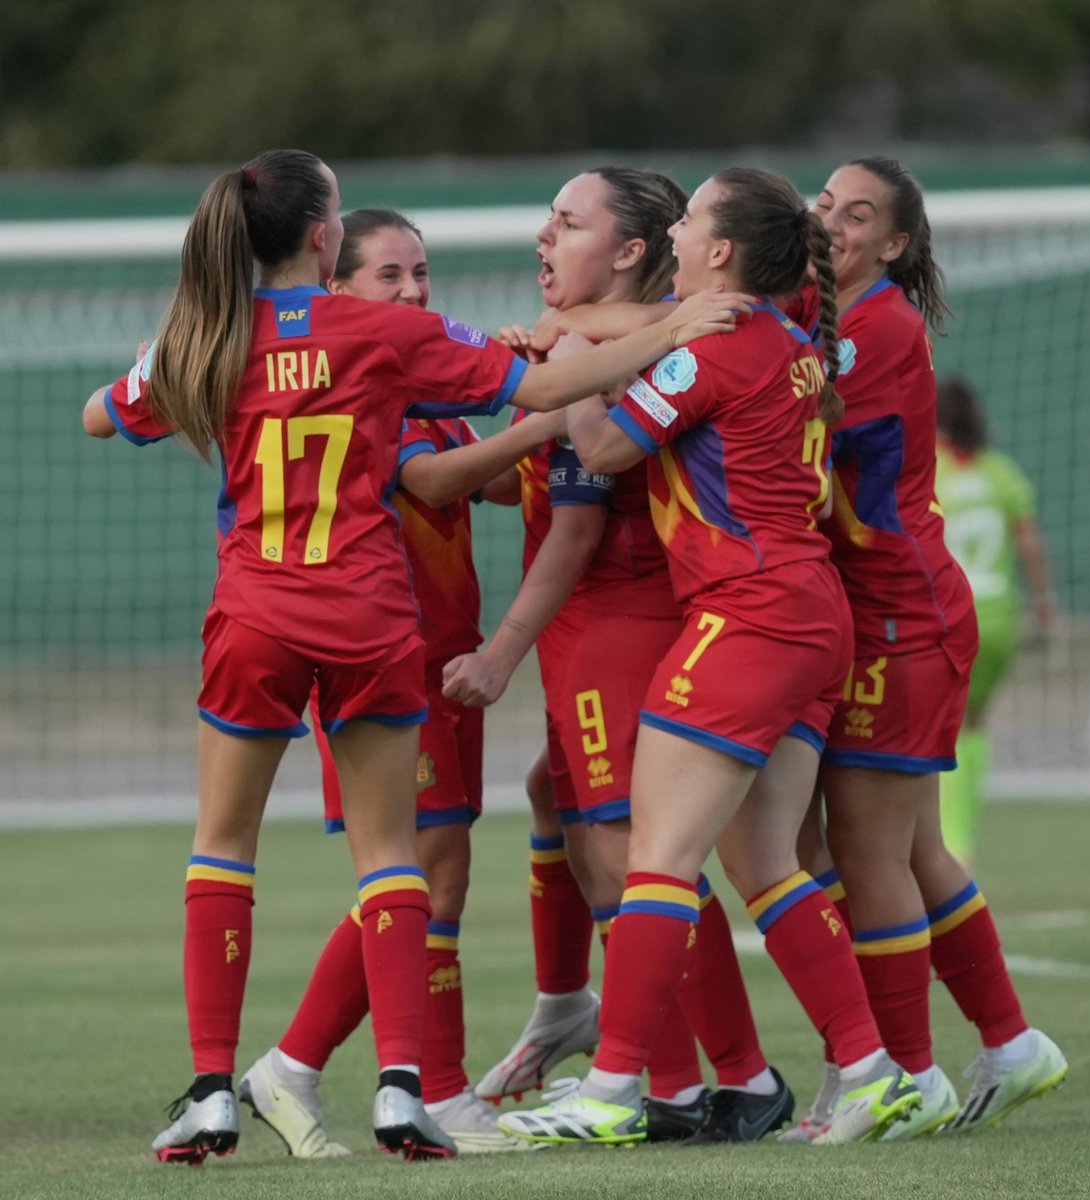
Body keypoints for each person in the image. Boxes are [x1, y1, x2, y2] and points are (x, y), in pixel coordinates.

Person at [81, 148, 750, 1166]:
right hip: (369, 620)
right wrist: (673, 326)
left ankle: (213, 1089)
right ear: (322, 240)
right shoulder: (386, 334)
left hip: (255, 616)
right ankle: (404, 1090)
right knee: (395, 859)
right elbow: (539, 385)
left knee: (223, 849)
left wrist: (154, 364)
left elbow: (100, 417)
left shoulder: (205, 338)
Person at [498, 168, 921, 1149]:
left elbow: (603, 453)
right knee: (769, 866)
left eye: (690, 220)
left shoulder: (718, 342)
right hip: (811, 615)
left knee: (657, 860)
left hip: (752, 614)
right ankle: (869, 1068)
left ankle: (615, 1090)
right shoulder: (785, 340)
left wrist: (570, 372)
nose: (680, 230)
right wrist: (604, 340)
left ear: (721, 251)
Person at [448, 167, 779, 1143]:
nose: (542, 236)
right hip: (592, 629)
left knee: (635, 852)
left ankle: (692, 1079)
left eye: (566, 221)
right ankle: (658, 1069)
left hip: (620, 618)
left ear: (631, 251)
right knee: (587, 823)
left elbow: (582, 517)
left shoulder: (637, 346)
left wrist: (502, 648)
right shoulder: (586, 341)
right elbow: (535, 482)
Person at [233, 208, 562, 1157]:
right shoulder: (360, 379)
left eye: (422, 273)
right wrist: (543, 415)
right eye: (390, 275)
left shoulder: (421, 372)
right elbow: (431, 482)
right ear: (338, 285)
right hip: (383, 654)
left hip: (442, 656)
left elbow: (491, 483)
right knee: (417, 875)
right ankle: (382, 1078)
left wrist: (520, 415)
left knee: (435, 874)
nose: (415, 291)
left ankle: (314, 1071)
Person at [787, 157, 1067, 1139]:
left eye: (857, 215)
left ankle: (903, 1074)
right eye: (823, 204)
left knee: (864, 849)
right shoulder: (815, 309)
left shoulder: (878, 326)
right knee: (901, 847)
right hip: (878, 613)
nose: (832, 224)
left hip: (901, 616)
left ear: (895, 245)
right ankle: (1007, 1043)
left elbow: (797, 448)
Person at [935, 376, 1054, 865]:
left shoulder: (929, 471)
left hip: (947, 617)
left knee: (933, 729)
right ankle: (961, 839)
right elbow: (1028, 541)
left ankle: (946, 845)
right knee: (973, 724)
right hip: (999, 619)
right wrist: (1043, 600)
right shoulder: (1000, 473)